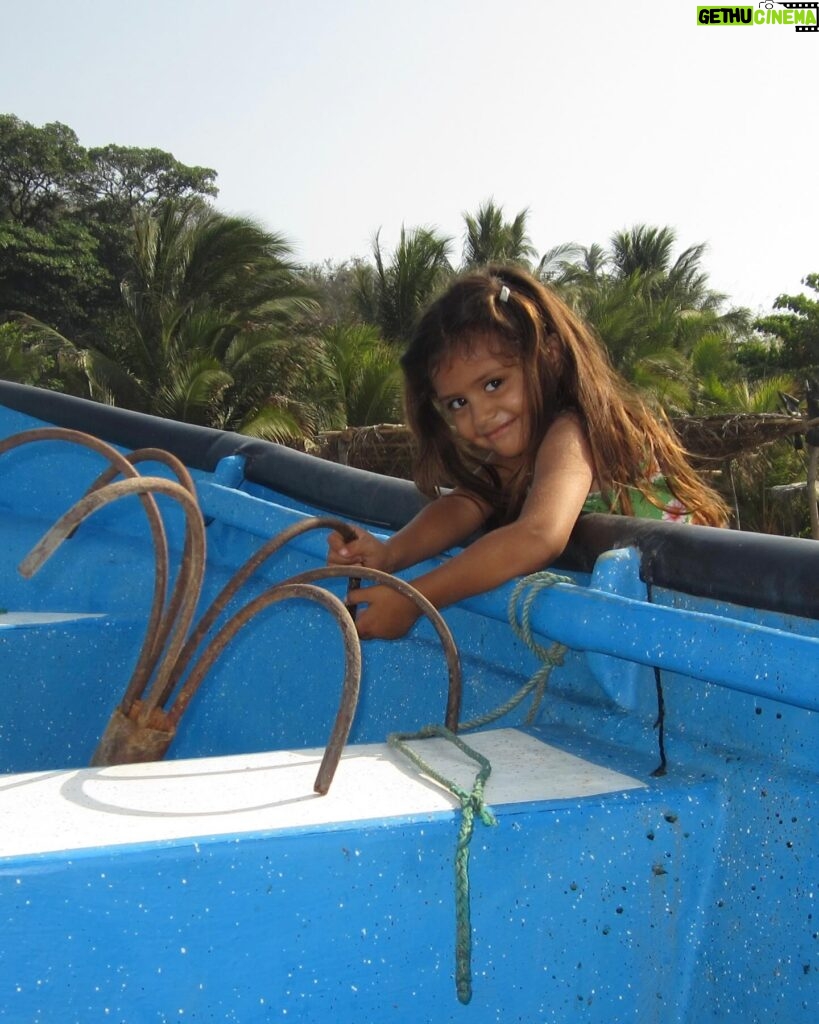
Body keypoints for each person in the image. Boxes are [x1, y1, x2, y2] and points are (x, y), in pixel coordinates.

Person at [328, 264, 729, 640]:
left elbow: (539, 536)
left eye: (493, 384)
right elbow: (464, 504)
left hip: (707, 608)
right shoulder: (522, 448)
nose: (481, 415)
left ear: (549, 355)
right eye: (457, 404)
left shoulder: (573, 431)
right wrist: (389, 552)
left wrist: (414, 600)